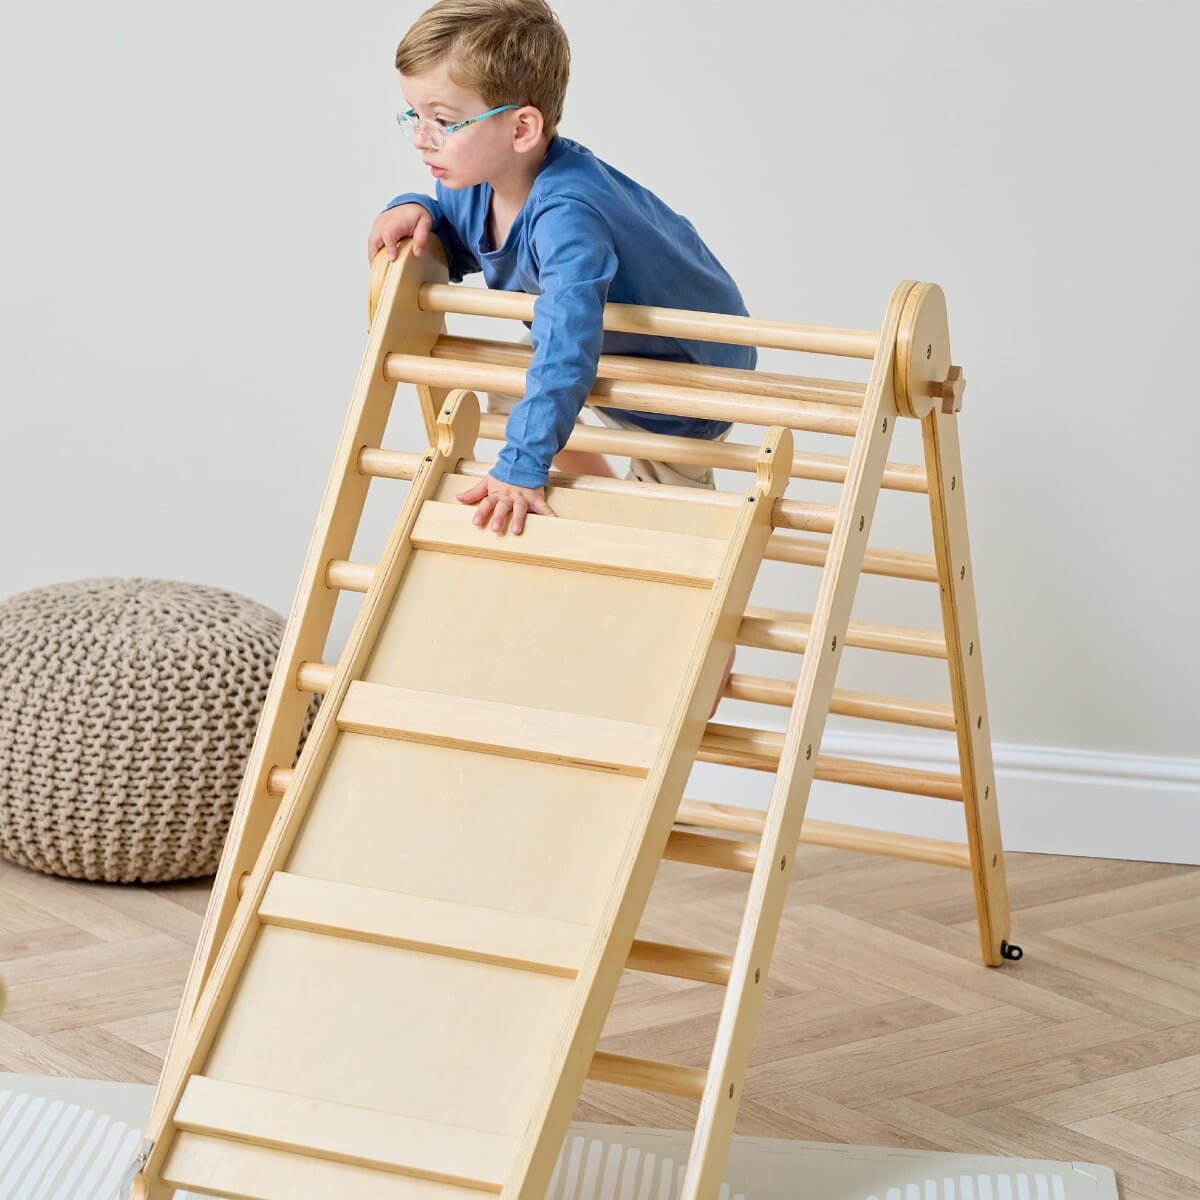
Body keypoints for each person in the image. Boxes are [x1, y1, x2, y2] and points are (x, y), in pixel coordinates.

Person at [367, 0, 757, 538]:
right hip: (603, 346)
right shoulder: (475, 184)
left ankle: (626, 517)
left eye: (444, 122)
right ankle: (590, 496)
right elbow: (461, 243)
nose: (420, 137)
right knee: (508, 399)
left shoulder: (567, 216)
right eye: (414, 115)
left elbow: (567, 344)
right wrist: (418, 208)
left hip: (685, 373)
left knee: (665, 531)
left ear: (521, 129)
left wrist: (522, 463)